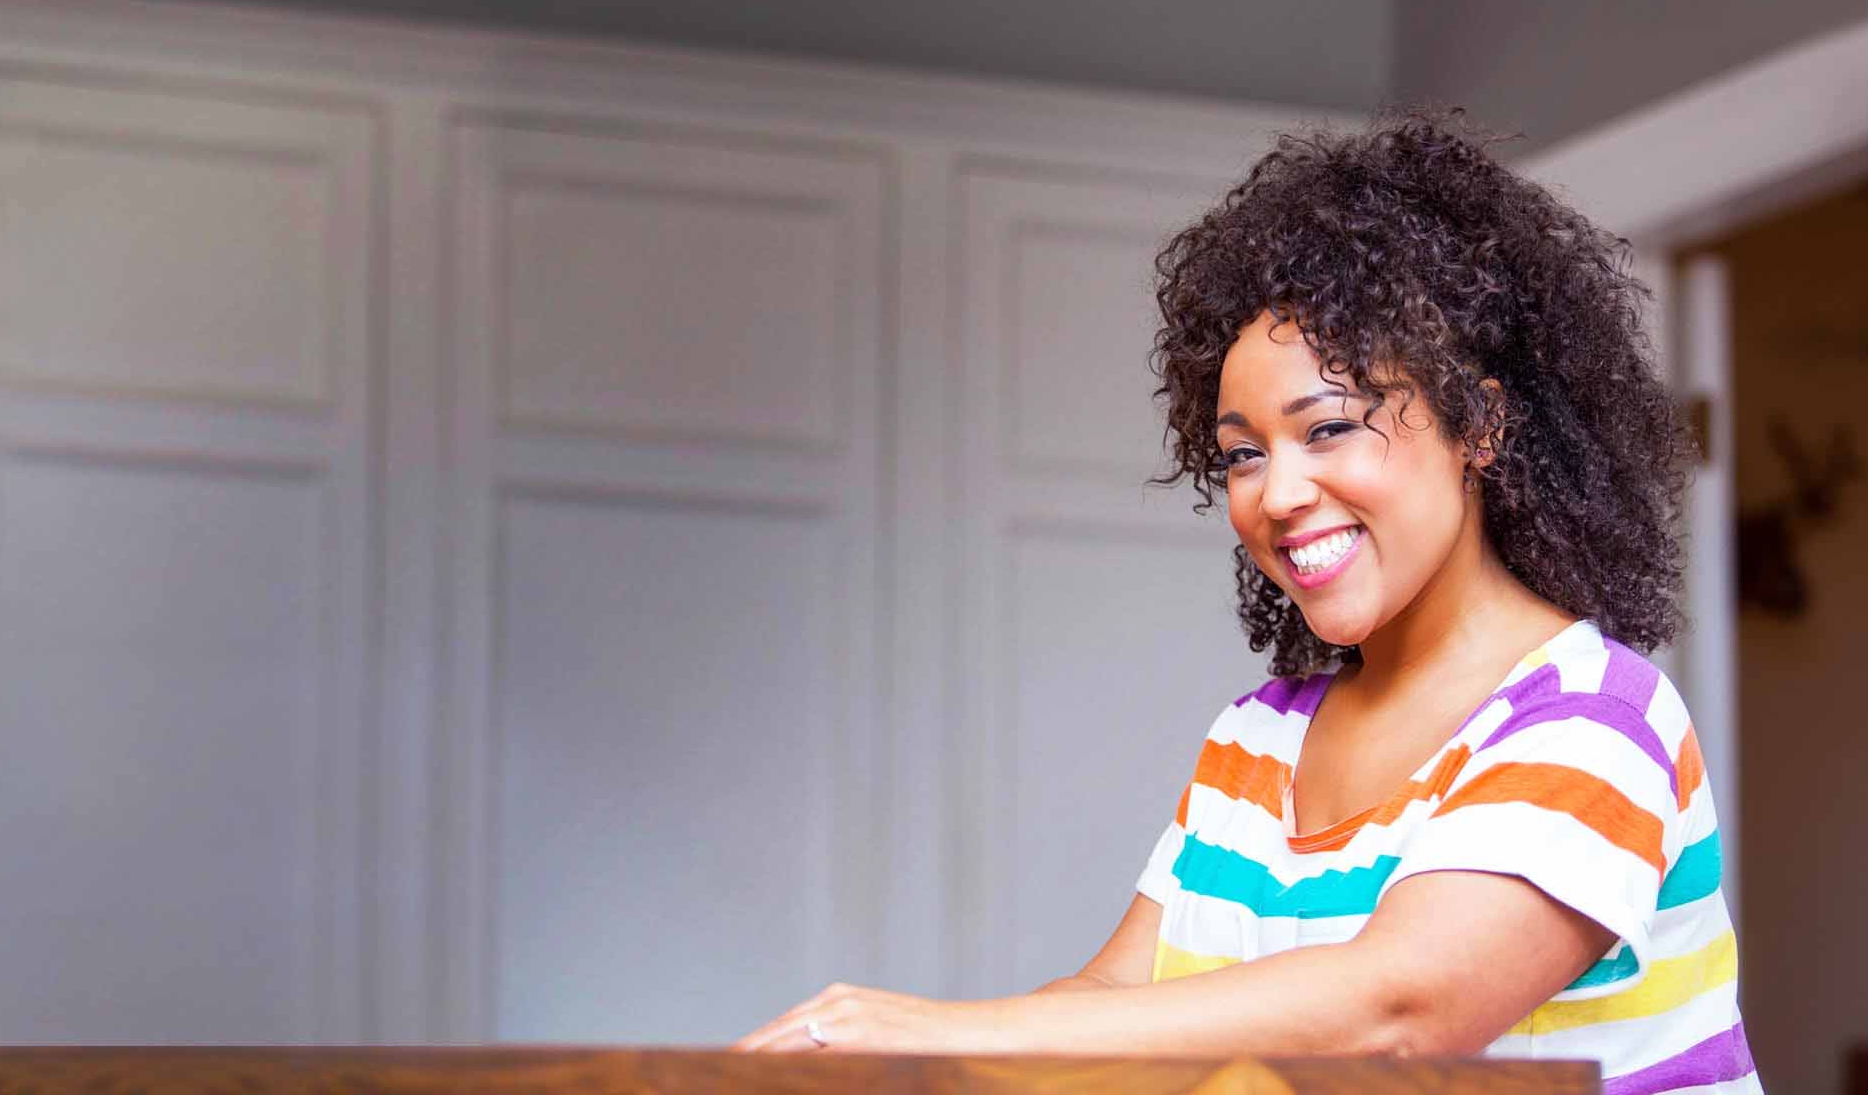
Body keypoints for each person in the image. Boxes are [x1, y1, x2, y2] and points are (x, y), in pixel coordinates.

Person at [733, 110, 1757, 1093]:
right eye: (1238, 454)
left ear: (1478, 426)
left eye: (1327, 429)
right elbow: (1107, 1005)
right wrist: (902, 1067)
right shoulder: (1254, 748)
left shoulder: (1592, 722)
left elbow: (1399, 1015)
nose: (1274, 494)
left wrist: (935, 1035)